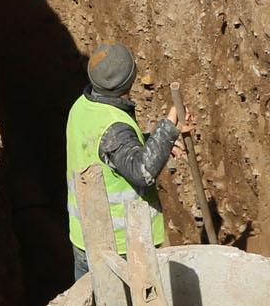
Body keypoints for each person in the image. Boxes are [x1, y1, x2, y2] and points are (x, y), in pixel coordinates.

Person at [64, 43, 191, 281]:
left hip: (85, 238)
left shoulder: (82, 107)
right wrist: (168, 128)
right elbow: (142, 170)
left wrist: (158, 141)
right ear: (130, 80)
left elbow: (108, 152)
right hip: (118, 248)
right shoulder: (113, 126)